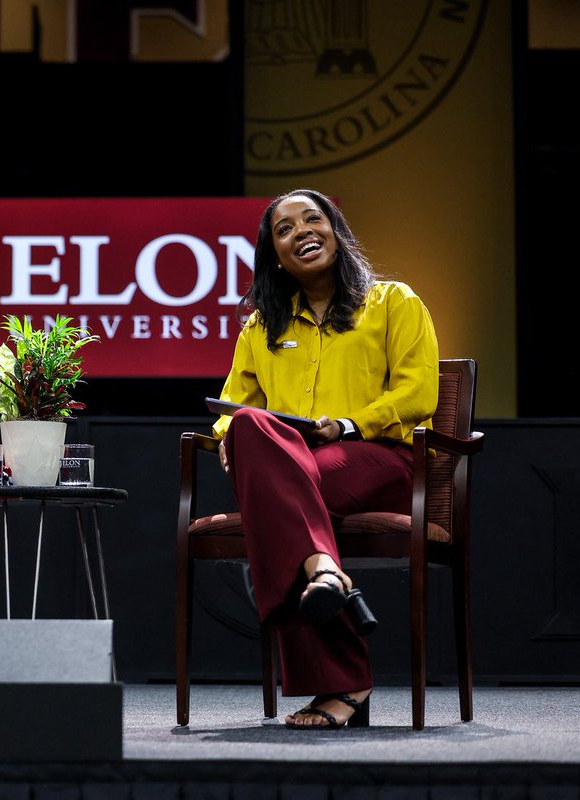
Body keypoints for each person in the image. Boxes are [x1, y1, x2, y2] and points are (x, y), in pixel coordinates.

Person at [209, 188, 439, 729]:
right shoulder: (261, 327)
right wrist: (226, 433)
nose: (302, 233)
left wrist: (350, 424)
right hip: (298, 469)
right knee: (248, 429)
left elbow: (419, 392)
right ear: (275, 255)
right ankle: (326, 577)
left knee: (274, 508)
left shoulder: (393, 301)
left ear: (336, 231)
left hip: (378, 458)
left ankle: (337, 661)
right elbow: (235, 407)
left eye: (313, 220)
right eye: (285, 230)